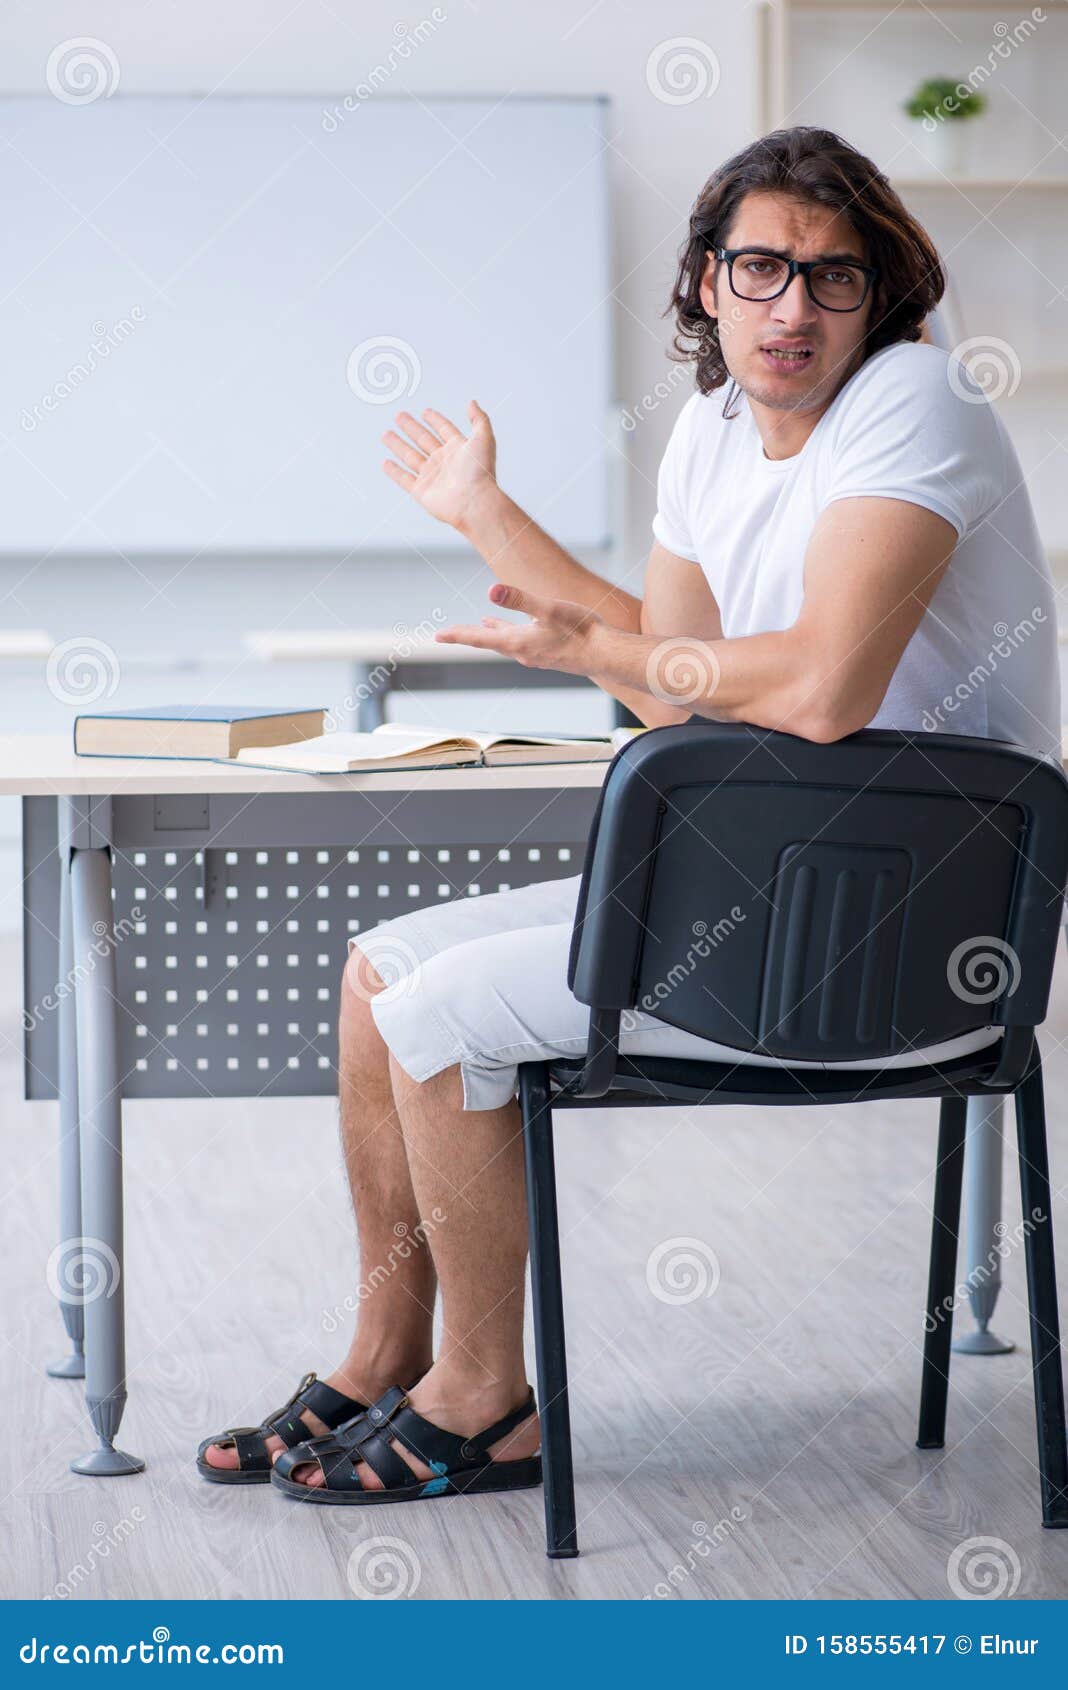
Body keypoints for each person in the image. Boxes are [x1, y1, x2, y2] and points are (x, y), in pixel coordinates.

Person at [199, 125, 1060, 1504]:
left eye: (835, 279)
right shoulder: (716, 432)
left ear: (881, 300)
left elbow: (825, 687)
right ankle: (385, 1356)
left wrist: (611, 659)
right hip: (761, 873)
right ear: (706, 284)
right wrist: (490, 517)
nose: (794, 307)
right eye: (763, 267)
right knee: (379, 972)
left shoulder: (914, 399)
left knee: (444, 1016)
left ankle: (487, 1401)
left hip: (902, 928)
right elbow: (679, 681)